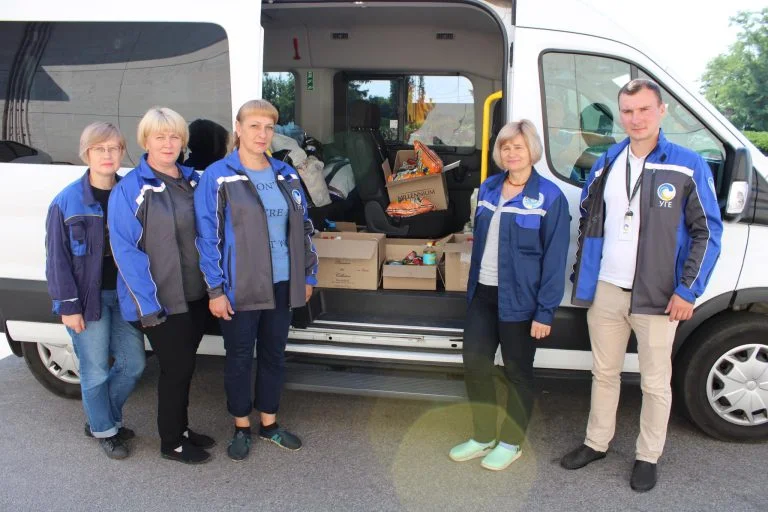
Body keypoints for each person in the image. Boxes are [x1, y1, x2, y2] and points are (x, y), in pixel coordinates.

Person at [560, 79, 723, 492]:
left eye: (644, 109)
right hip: (607, 289)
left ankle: (648, 456)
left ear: (662, 111)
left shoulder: (687, 164)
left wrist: (688, 290)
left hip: (660, 295)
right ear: (621, 115)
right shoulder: (607, 161)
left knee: (654, 383)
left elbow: (707, 232)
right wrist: (585, 276)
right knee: (604, 373)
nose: (636, 119)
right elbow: (589, 217)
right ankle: (596, 443)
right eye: (628, 111)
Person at [195, 99, 318, 462]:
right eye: (254, 126)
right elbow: (208, 237)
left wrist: (307, 273)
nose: (262, 134)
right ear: (238, 128)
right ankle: (240, 426)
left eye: (268, 127)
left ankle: (269, 423)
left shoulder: (285, 173)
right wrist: (215, 290)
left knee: (274, 355)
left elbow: (304, 227)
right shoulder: (218, 175)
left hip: (283, 282)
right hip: (240, 285)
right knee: (238, 357)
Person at [449, 119, 570, 471]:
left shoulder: (550, 197)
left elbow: (555, 259)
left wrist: (545, 311)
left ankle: (511, 441)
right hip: (483, 294)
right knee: (475, 364)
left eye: (518, 147)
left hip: (522, 301)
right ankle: (483, 435)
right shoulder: (488, 188)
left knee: (518, 373)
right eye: (505, 147)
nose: (511, 153)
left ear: (532, 150)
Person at [108, 107, 215, 464]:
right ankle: (171, 442)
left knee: (185, 366)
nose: (168, 144)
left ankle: (182, 430)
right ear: (146, 141)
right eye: (160, 137)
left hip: (195, 294)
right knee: (175, 369)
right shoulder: (130, 189)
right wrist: (148, 305)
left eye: (174, 137)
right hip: (160, 301)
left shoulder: (194, 181)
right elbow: (125, 252)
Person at [45, 122, 146, 460]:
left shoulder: (130, 193)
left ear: (122, 152)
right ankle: (105, 430)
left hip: (125, 297)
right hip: (87, 301)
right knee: (96, 370)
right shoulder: (67, 201)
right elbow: (57, 260)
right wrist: (68, 306)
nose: (107, 154)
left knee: (133, 365)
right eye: (99, 148)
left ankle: (102, 420)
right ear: (86, 153)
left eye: (113, 148)